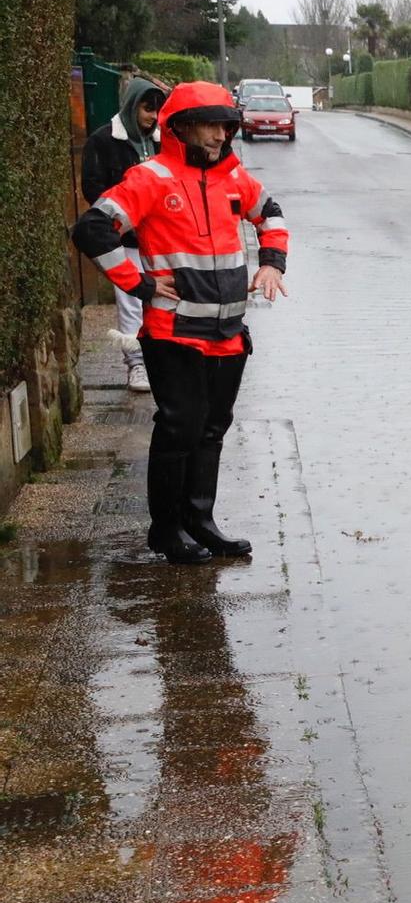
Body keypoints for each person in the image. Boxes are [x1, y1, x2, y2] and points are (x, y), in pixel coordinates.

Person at [70, 81, 290, 565]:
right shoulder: (150, 178)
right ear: (182, 128)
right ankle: (166, 531)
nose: (221, 135)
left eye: (227, 126)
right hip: (174, 334)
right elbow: (92, 228)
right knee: (180, 428)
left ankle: (199, 521)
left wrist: (272, 262)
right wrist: (139, 284)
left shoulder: (233, 176)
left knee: (212, 429)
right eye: (212, 125)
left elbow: (270, 213)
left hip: (228, 334)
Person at [80, 76, 168, 393]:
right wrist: (124, 218)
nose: (153, 117)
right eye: (148, 109)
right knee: (131, 301)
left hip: (160, 240)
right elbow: (93, 188)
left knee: (161, 300)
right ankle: (136, 366)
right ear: (133, 106)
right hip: (126, 241)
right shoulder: (103, 142)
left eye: (158, 110)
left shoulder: (163, 142)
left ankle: (161, 361)